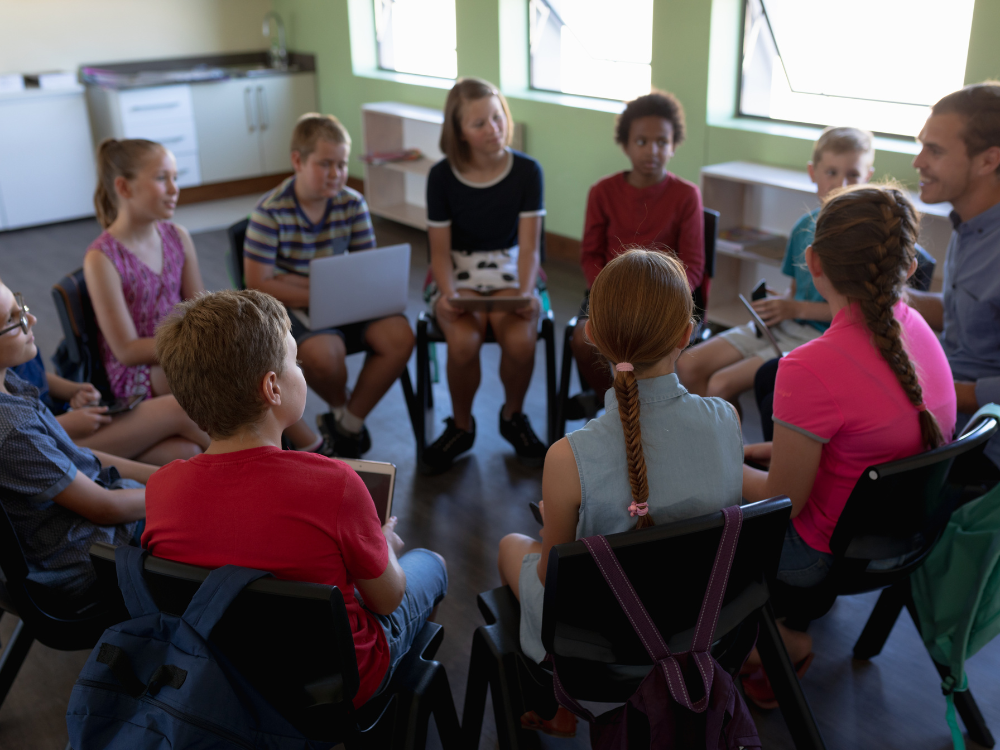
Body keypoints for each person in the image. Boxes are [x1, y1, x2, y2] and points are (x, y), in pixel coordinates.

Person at [145, 289, 448, 709]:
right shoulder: (335, 483)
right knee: (433, 564)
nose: (300, 371)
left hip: (221, 679)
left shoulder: (162, 488)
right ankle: (394, 708)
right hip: (332, 685)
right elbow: (387, 598)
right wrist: (386, 546)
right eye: (295, 361)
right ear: (272, 387)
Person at [740, 185, 956, 700]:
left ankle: (770, 642)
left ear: (811, 261)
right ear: (906, 268)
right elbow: (866, 437)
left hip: (820, 557)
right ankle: (767, 640)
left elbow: (783, 503)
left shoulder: (809, 367)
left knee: (683, 511)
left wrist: (710, 461)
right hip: (904, 540)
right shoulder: (917, 328)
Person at [497, 249, 743, 667]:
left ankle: (556, 700)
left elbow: (548, 576)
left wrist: (556, 519)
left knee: (511, 546)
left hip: (602, 643)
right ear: (686, 335)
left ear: (591, 333)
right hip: (697, 625)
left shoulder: (567, 457)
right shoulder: (726, 418)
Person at [244, 113, 415, 459]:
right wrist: (319, 290)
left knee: (400, 337)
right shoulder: (270, 212)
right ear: (298, 161)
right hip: (299, 306)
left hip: (345, 298)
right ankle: (341, 411)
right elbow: (258, 283)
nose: (336, 173)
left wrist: (299, 281)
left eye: (342, 164)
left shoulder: (352, 203)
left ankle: (346, 425)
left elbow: (366, 266)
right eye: (325, 164)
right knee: (324, 355)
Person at [677, 126, 876, 406]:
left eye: (853, 174)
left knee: (721, 384)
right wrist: (780, 304)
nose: (842, 184)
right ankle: (718, 441)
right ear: (813, 173)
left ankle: (734, 449)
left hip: (823, 337)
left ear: (868, 176)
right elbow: (795, 291)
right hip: (785, 323)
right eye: (832, 172)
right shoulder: (803, 227)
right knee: (687, 365)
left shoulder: (866, 237)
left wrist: (794, 308)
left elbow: (859, 313)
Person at [422, 78, 547, 473]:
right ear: (458, 131)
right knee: (461, 342)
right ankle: (461, 425)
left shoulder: (527, 171)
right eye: (479, 124)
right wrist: (448, 294)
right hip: (457, 271)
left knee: (521, 340)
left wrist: (526, 293)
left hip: (513, 268)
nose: (493, 129)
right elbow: (439, 252)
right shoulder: (441, 177)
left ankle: (513, 416)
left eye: (497, 118)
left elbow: (529, 249)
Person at [0, 280, 153, 602]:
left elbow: (77, 456)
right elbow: (105, 508)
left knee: (181, 460)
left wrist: (169, 477)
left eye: (20, 307)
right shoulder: (12, 429)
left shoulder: (9, 383)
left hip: (87, 523)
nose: (31, 320)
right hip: (87, 552)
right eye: (13, 321)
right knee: (219, 518)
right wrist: (187, 491)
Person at [567, 90, 704, 413]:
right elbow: (590, 254)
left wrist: (661, 295)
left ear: (673, 145)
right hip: (609, 292)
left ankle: (652, 409)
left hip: (667, 297)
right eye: (641, 141)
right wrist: (611, 293)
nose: (652, 150)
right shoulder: (603, 191)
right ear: (626, 144)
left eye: (661, 141)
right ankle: (612, 404)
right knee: (582, 341)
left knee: (657, 349)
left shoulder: (686, 195)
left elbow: (694, 265)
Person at [82, 138, 216, 461]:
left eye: (175, 177)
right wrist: (197, 345)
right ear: (124, 188)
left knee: (185, 450)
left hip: (181, 356)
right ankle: (275, 460)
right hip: (139, 374)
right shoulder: (102, 258)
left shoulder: (177, 237)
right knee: (211, 375)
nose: (174, 188)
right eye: (161, 178)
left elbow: (200, 307)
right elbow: (127, 351)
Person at [907, 82, 1000, 486]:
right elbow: (969, 316)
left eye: (936, 151)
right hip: (942, 395)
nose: (918, 161)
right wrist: (893, 297)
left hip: (979, 442)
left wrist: (928, 386)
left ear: (988, 161)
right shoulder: (968, 224)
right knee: (777, 375)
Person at [12, 343, 207, 467]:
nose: (31, 318)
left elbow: (28, 375)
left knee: (186, 452)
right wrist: (64, 424)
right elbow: (12, 434)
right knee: (178, 409)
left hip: (58, 421)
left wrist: (73, 389)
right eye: (13, 317)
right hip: (46, 441)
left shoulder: (15, 344)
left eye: (21, 306)